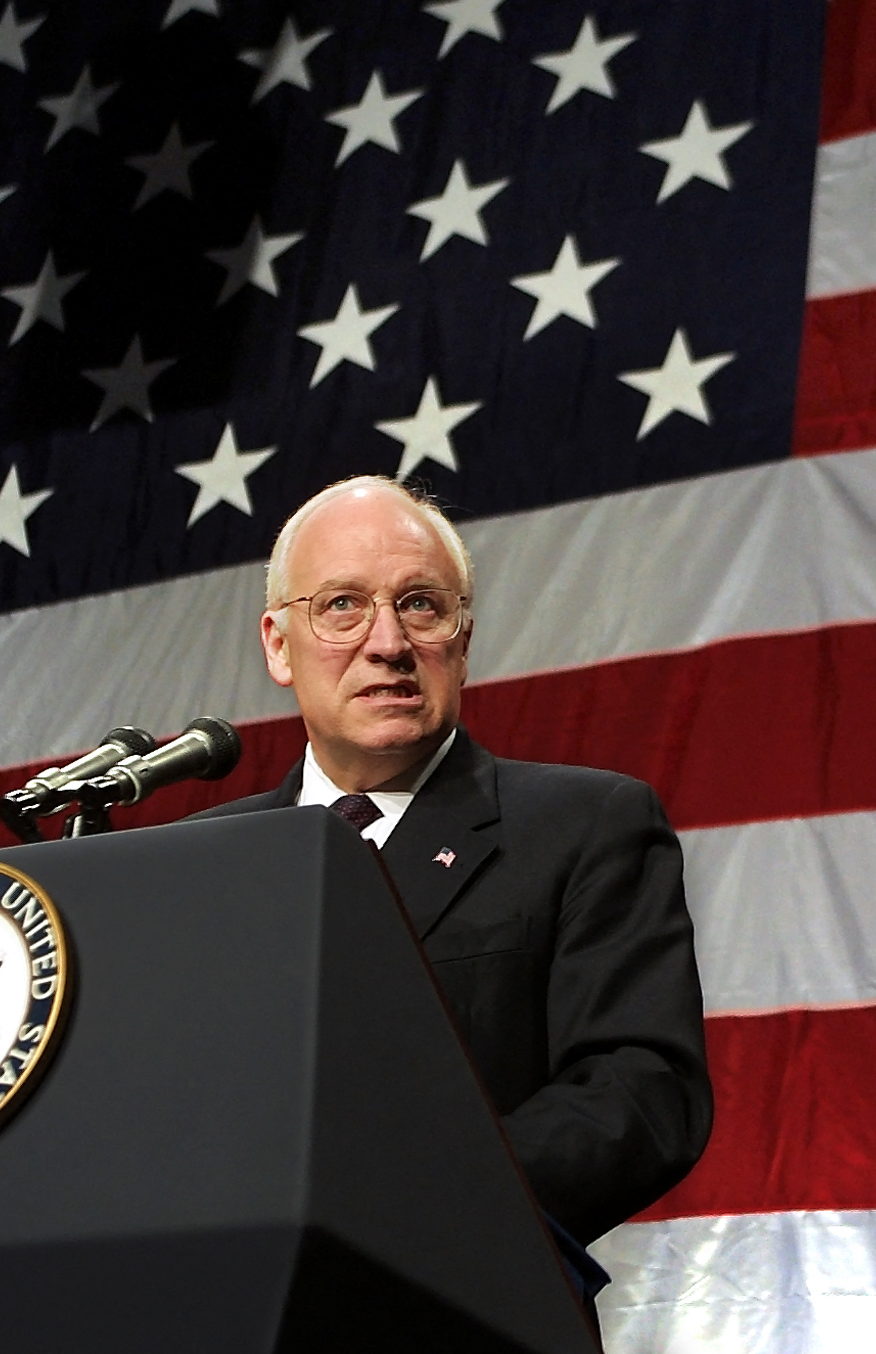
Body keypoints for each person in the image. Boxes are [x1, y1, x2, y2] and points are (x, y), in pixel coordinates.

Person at [192, 475, 713, 1293]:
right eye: (341, 606)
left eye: (422, 606)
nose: (387, 642)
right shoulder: (202, 862)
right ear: (277, 644)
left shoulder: (585, 825)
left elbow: (639, 1095)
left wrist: (402, 1212)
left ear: (462, 642)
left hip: (462, 1305)